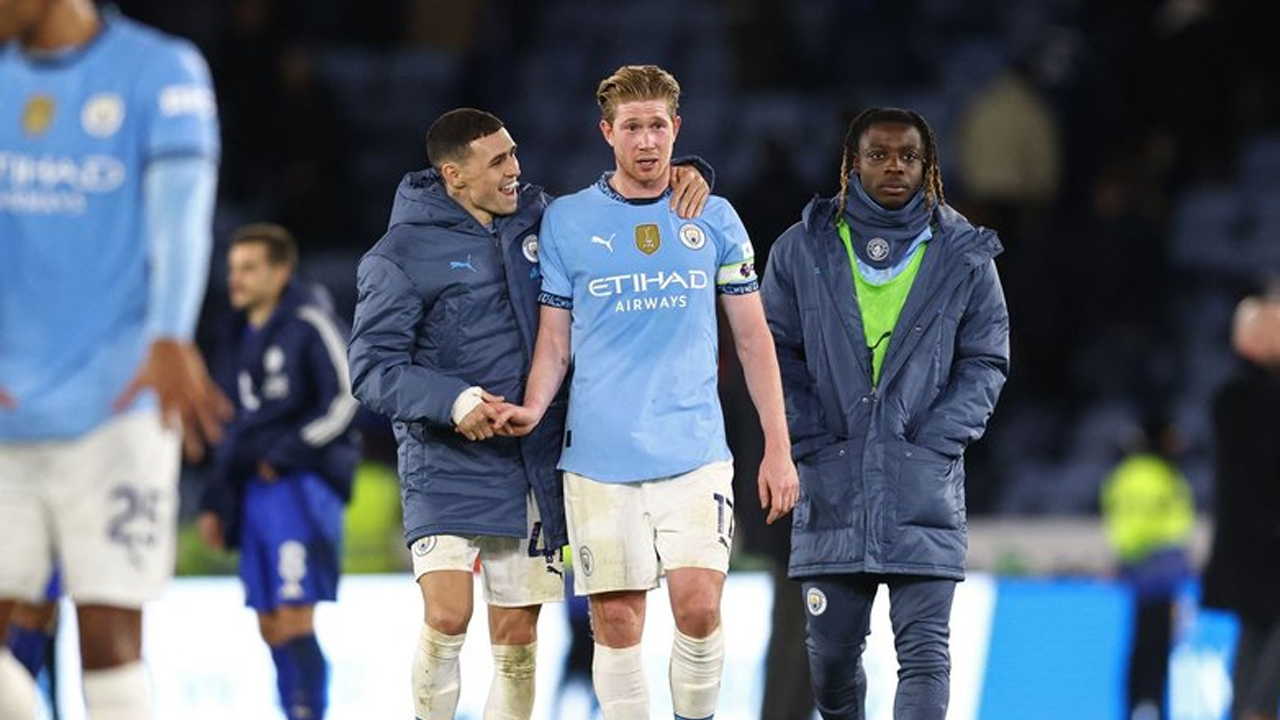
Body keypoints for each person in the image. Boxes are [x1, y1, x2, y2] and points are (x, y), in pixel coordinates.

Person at [347, 106, 711, 720]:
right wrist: (453, 401)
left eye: (514, 153)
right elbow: (372, 368)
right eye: (498, 162)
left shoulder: (545, 220)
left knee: (516, 637)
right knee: (448, 615)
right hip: (445, 461)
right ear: (454, 176)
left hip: (530, 460)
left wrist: (688, 172)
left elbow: (617, 208)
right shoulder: (399, 255)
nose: (517, 170)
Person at [497, 64, 799, 720]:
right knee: (618, 621)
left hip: (695, 454)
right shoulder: (568, 222)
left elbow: (753, 339)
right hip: (599, 461)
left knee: (698, 605)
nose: (646, 140)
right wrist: (533, 406)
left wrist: (778, 446)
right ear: (607, 132)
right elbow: (555, 341)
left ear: (676, 130)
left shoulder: (713, 217)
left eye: (658, 125)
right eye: (632, 126)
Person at [0, 1, 224, 717]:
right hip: (7, 409)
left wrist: (169, 334)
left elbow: (182, 217)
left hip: (119, 400)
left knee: (109, 634)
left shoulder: (160, 71)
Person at [760, 106, 1010, 720]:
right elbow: (772, 351)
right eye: (878, 154)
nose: (894, 166)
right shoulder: (801, 249)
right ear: (852, 164)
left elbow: (987, 359)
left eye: (908, 156)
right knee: (832, 660)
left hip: (922, 486)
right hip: (831, 482)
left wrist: (933, 441)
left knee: (925, 655)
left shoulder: (965, 253)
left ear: (929, 168)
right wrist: (813, 434)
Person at [197, 223, 360, 720]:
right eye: (233, 269)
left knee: (294, 615)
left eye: (249, 268)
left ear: (281, 270)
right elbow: (234, 427)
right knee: (269, 622)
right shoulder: (233, 334)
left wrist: (285, 453)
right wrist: (215, 498)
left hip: (299, 488)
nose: (237, 280)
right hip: (251, 494)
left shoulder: (308, 320)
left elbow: (345, 398)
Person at [1201, 294, 1280, 720]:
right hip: (1265, 538)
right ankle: (1258, 710)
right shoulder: (1252, 398)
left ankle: (1247, 710)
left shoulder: (1232, 397)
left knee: (1257, 628)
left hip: (1248, 541)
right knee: (1261, 626)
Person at [1100, 418, 1195, 720]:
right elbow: (1174, 525)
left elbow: (1119, 522)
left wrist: (1128, 556)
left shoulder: (1124, 476)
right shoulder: (1162, 476)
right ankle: (1154, 706)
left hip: (1138, 567)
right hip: (1161, 570)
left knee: (1141, 643)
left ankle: (1135, 707)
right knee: (1156, 645)